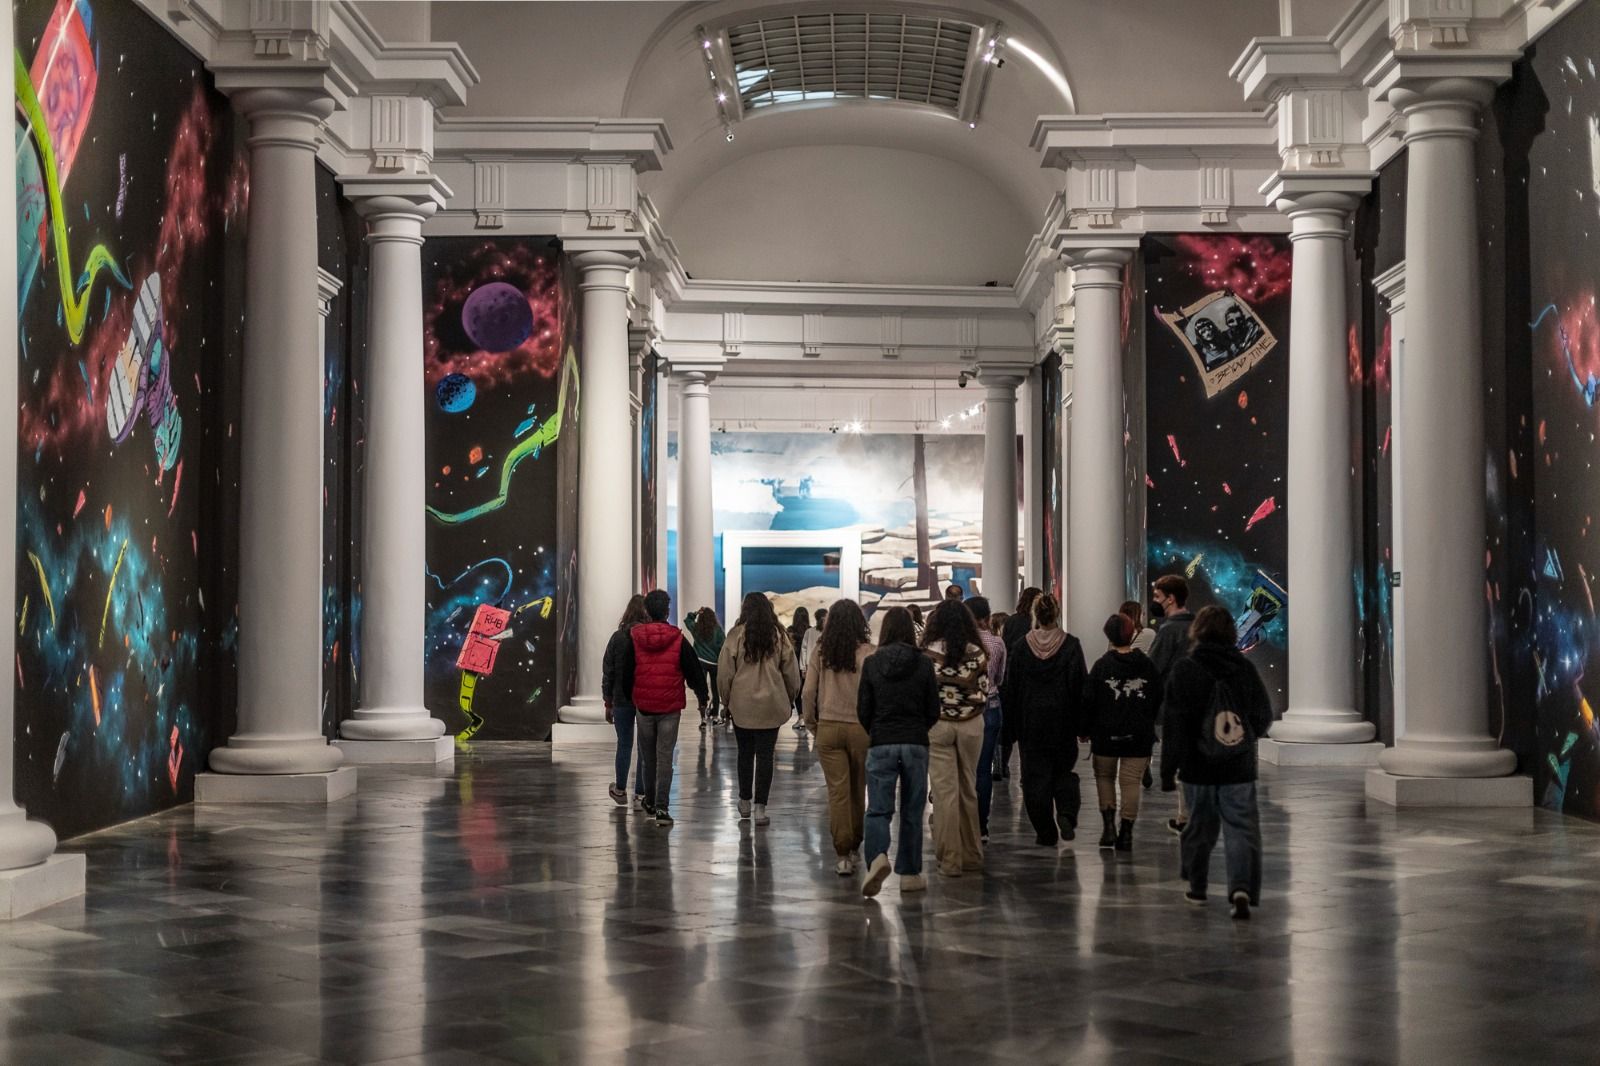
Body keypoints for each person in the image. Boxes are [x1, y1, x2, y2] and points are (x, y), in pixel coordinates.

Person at [1160, 607, 1272, 920]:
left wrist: (1168, 770)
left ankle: (1197, 887)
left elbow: (1174, 725)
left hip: (1198, 766)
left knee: (1199, 826)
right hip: (1238, 766)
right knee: (1241, 827)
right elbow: (1262, 715)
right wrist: (1243, 738)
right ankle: (1241, 888)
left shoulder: (1185, 669)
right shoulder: (1244, 669)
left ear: (1198, 630)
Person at [857, 607, 940, 897]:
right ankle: (910, 874)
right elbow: (933, 708)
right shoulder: (924, 664)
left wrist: (876, 730)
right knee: (913, 810)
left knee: (878, 808)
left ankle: (877, 857)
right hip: (915, 741)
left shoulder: (872, 663)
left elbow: (863, 708)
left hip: (882, 740)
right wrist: (919, 728)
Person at [615, 589, 708, 827]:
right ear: (667, 611)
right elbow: (693, 670)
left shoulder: (635, 638)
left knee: (648, 757)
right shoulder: (677, 638)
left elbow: (627, 672)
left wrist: (631, 695)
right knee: (665, 757)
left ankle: (649, 800)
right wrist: (702, 695)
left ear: (647, 611)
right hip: (669, 707)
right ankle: (662, 807)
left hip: (644, 707)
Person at [1000, 593, 1086, 852]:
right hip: (1063, 720)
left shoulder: (1021, 646)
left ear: (1035, 615)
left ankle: (1045, 831)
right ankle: (1067, 812)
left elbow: (1011, 688)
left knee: (1034, 777)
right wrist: (1083, 725)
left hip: (1031, 721)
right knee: (1063, 771)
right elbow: (1080, 686)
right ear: (1057, 613)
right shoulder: (1070, 645)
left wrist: (1010, 728)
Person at [802, 600, 873, 875]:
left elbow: (808, 692)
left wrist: (811, 723)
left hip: (829, 726)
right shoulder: (869, 652)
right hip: (860, 728)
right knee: (858, 788)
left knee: (838, 791)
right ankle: (855, 845)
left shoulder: (821, 652)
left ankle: (842, 854)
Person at [718, 593, 801, 827]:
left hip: (742, 704)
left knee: (745, 754)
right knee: (766, 756)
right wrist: (790, 697)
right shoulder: (779, 636)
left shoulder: (736, 635)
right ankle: (760, 809)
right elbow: (791, 673)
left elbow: (725, 673)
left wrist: (726, 701)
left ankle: (744, 800)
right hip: (771, 705)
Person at [920, 600, 990, 877]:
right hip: (971, 724)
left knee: (944, 793)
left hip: (938, 724)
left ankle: (950, 860)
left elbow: (923, 691)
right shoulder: (977, 652)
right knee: (968, 788)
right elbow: (984, 689)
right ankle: (972, 854)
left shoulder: (927, 653)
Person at [1084, 613, 1160, 853]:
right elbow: (1157, 696)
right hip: (1139, 734)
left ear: (1108, 635)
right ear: (1132, 633)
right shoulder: (1147, 665)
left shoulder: (1101, 666)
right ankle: (1126, 832)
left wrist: (1085, 729)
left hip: (1105, 734)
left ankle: (1108, 827)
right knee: (1131, 782)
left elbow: (1089, 699)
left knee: (1104, 777)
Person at [1148, 574, 1196, 833]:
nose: (1155, 601)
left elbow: (1153, 668)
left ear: (1170, 598)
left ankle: (1186, 817)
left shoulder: (1168, 631)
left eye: (1157, 596)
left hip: (1174, 706)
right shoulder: (1198, 626)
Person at [601, 594, 650, 809]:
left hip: (621, 698)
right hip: (644, 697)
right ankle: (640, 793)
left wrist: (608, 702)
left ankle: (620, 789)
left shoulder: (617, 638)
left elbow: (608, 671)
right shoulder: (648, 637)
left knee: (624, 743)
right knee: (644, 745)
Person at [965, 596, 1007, 845]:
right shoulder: (997, 643)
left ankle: (963, 821)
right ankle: (982, 826)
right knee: (984, 769)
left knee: (964, 768)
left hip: (966, 709)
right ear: (988, 617)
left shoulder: (962, 643)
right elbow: (1000, 677)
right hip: (990, 707)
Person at [996, 587, 1041, 781]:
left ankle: (1002, 764)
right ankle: (1026, 770)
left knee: (1007, 727)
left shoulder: (1011, 621)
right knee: (1027, 729)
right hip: (1032, 680)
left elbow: (1006, 646)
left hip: (1010, 678)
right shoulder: (1037, 623)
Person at [684, 607, 726, 730]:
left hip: (700, 662)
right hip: (714, 664)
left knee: (701, 691)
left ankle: (702, 719)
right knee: (715, 690)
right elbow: (722, 647)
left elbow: (687, 620)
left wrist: (696, 613)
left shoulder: (697, 628)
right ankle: (715, 717)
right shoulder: (718, 630)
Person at [788, 606, 813, 731]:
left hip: (794, 665)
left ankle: (801, 717)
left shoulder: (790, 630)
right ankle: (810, 717)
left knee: (798, 693)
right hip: (808, 665)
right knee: (808, 692)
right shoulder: (810, 631)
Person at [801, 608, 827, 674]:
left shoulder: (809, 631)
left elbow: (803, 650)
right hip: (817, 666)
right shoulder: (809, 632)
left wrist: (803, 668)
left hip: (812, 665)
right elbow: (804, 649)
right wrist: (803, 668)